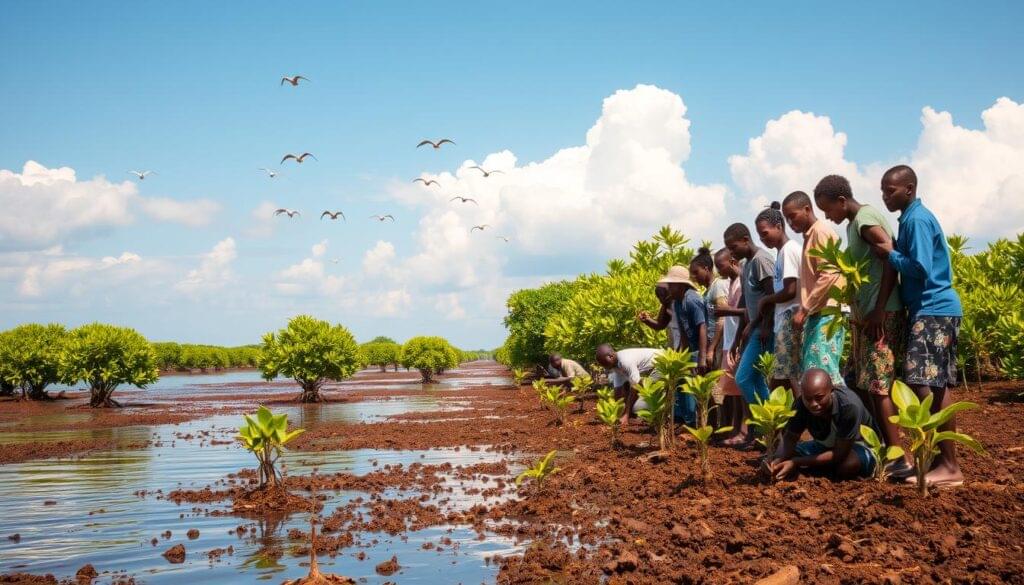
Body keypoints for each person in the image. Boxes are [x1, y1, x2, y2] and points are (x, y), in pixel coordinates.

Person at [813, 174, 911, 477]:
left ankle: (898, 460)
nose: (828, 216)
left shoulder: (865, 218)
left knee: (879, 385)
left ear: (842, 201)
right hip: (866, 316)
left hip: (882, 315)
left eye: (828, 209)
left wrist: (879, 309)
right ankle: (880, 445)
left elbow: (889, 256)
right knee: (861, 380)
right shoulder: (854, 225)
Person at [874, 165, 965, 488]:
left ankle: (950, 465)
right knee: (931, 383)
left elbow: (921, 268)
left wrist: (890, 254)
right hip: (929, 310)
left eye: (891, 190)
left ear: (909, 189)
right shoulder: (910, 218)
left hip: (934, 308)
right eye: (883, 190)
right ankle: (944, 461)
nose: (885, 196)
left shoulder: (916, 219)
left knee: (928, 384)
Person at [768, 369, 880, 481]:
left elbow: (839, 454)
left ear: (831, 391)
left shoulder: (848, 406)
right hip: (825, 447)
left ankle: (814, 475)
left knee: (848, 464)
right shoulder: (801, 404)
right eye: (807, 399)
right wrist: (778, 461)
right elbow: (790, 438)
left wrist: (795, 462)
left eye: (819, 398)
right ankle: (813, 472)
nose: (813, 404)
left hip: (857, 446)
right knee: (788, 453)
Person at [782, 191, 846, 386]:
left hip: (827, 314)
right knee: (815, 374)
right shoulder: (810, 236)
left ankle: (846, 415)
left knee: (824, 377)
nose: (790, 223)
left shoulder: (820, 232)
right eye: (787, 219)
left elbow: (829, 274)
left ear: (807, 209)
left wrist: (804, 308)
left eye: (792, 216)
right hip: (818, 314)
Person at [723, 222, 776, 445]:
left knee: (744, 378)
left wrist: (763, 325)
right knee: (753, 379)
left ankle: (768, 424)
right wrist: (744, 330)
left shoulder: (762, 260)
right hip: (755, 327)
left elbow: (772, 295)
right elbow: (747, 299)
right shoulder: (746, 265)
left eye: (733, 247)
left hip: (765, 329)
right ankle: (767, 431)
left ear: (746, 240)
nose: (732, 253)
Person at [754, 202, 803, 393]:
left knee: (787, 376)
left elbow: (790, 291)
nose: (762, 239)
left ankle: (782, 419)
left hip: (790, 318)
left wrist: (766, 300)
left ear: (779, 227)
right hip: (785, 320)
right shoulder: (782, 252)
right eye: (759, 235)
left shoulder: (789, 250)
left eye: (765, 233)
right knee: (786, 376)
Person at [713, 247, 747, 443]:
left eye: (721, 266)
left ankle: (743, 430)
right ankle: (735, 429)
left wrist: (725, 311)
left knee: (740, 386)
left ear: (733, 261)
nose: (719, 271)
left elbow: (746, 311)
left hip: (738, 338)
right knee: (732, 389)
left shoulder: (742, 281)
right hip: (730, 341)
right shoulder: (731, 282)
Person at [596, 344, 664, 426]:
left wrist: (626, 415)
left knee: (638, 408)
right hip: (650, 371)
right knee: (634, 407)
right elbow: (618, 391)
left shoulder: (625, 360)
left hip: (662, 363)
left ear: (611, 356)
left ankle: (661, 414)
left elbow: (634, 386)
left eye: (604, 364)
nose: (605, 367)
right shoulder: (615, 366)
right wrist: (615, 414)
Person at [689, 247, 730, 372]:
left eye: (696, 272)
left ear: (706, 269)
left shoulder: (718, 286)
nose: (694, 277)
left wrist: (711, 349)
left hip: (720, 343)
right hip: (715, 343)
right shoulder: (708, 291)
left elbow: (722, 319)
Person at [637, 283, 682, 351]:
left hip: (686, 347)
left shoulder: (682, 304)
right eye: (659, 296)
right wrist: (647, 320)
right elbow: (660, 325)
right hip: (674, 348)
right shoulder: (666, 305)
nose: (661, 300)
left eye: (663, 295)